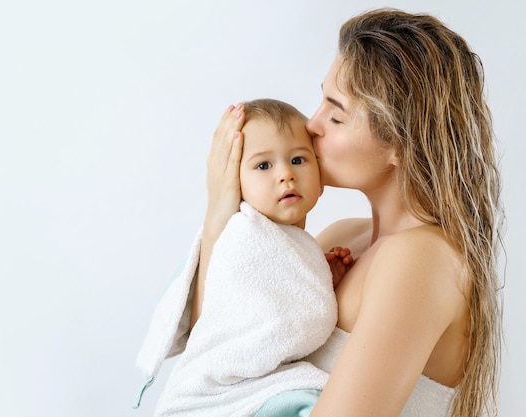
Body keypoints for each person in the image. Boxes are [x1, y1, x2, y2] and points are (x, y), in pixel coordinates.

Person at [197, 8, 505, 417]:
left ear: (400, 143)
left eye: (336, 114)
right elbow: (218, 347)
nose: (312, 125)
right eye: (320, 101)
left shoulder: (421, 259)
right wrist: (220, 210)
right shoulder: (342, 238)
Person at [134, 98, 354, 416]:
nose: (285, 175)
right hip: (224, 390)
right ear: (235, 182)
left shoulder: (292, 242)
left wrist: (319, 276)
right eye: (264, 165)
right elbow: (231, 317)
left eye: (298, 160)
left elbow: (279, 299)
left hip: (263, 386)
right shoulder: (242, 236)